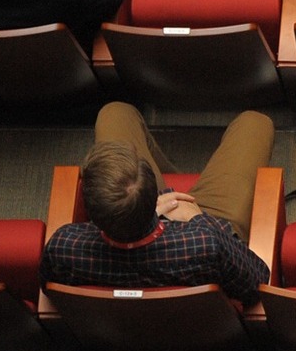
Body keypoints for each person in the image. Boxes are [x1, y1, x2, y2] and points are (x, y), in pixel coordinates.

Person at [41, 102, 276, 306]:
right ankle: (196, 184)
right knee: (254, 122)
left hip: (117, 331)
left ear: (88, 208)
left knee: (115, 112)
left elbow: (50, 290)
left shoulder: (63, 245)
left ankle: (181, 177)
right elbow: (259, 281)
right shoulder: (206, 242)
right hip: (201, 220)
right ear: (153, 191)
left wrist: (137, 211)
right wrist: (199, 219)